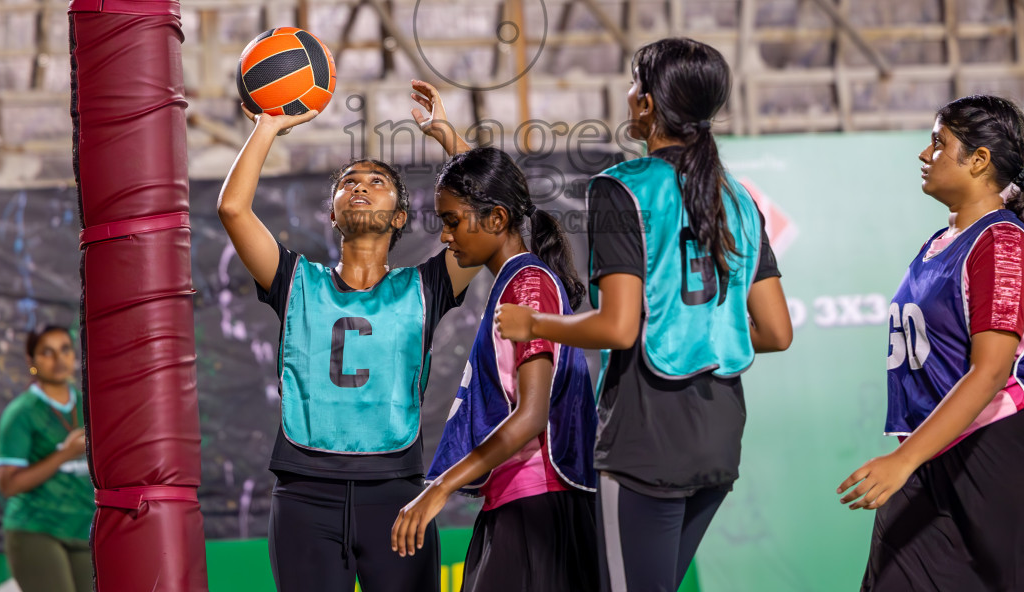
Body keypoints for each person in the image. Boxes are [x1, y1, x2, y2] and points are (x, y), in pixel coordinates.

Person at [495, 37, 794, 592]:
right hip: (719, 433)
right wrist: (707, 329)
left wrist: (533, 324)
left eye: (635, 82)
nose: (629, 92)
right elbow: (777, 332)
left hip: (648, 433)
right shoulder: (739, 199)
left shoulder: (622, 189)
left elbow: (617, 326)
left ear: (647, 104)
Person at [216, 79, 480, 592]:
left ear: (400, 217)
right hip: (303, 493)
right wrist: (268, 125)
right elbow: (232, 210)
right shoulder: (295, 281)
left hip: (398, 493)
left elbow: (491, 215)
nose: (359, 186)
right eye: (349, 182)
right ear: (333, 213)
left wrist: (448, 135)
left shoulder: (427, 285)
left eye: (376, 182)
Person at [838, 94, 1024, 592]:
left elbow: (990, 373)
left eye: (938, 143)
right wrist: (915, 458)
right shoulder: (939, 243)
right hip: (933, 457)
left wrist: (904, 459)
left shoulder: (1001, 243)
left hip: (1004, 454)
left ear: (979, 160)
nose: (924, 154)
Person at [393, 146, 600, 591]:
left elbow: (531, 416)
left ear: (498, 219)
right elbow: (491, 187)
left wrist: (439, 488)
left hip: (539, 505)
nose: (446, 236)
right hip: (518, 499)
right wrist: (452, 143)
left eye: (451, 222)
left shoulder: (527, 286)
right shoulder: (517, 280)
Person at [0, 324, 94, 592]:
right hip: (36, 528)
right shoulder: (21, 413)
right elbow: (9, 485)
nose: (59, 360)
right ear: (32, 361)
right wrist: (64, 455)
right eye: (47, 352)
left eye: (65, 350)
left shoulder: (93, 406)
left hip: (85, 528)